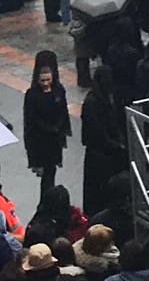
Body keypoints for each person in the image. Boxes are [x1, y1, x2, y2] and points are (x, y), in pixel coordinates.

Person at [80, 66, 125, 218]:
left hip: (106, 151)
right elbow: (95, 130)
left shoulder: (105, 99)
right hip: (99, 152)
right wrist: (114, 143)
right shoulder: (92, 102)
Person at [24, 51, 71, 195]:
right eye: (42, 80)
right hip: (40, 139)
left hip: (54, 138)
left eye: (48, 80)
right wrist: (48, 128)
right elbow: (31, 117)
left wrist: (58, 126)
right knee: (47, 174)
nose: (45, 83)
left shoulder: (58, 90)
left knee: (51, 171)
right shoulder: (32, 94)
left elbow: (63, 110)